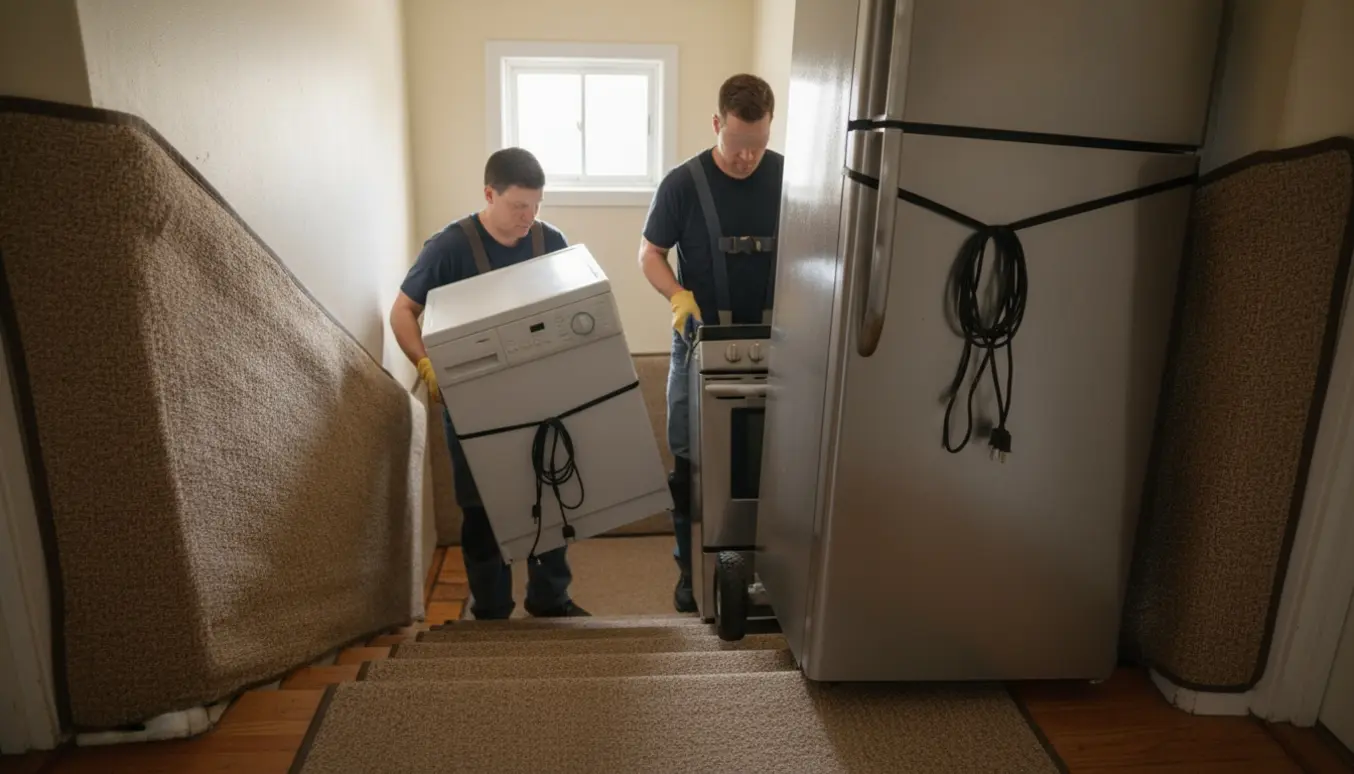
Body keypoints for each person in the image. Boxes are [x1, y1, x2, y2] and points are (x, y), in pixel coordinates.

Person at [391, 147, 589, 620]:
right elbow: (402, 311)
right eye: (518, 205)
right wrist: (425, 364)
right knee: (481, 509)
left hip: (539, 400)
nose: (528, 217)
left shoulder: (550, 242)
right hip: (472, 402)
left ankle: (550, 600)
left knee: (549, 496)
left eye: (535, 205)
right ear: (489, 194)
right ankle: (491, 610)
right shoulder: (449, 248)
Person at [638, 74, 783, 613]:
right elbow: (649, 253)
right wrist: (677, 296)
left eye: (758, 145)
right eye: (737, 143)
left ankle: (773, 566)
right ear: (717, 124)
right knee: (690, 459)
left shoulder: (790, 179)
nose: (747, 157)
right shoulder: (682, 185)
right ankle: (690, 570)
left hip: (778, 342)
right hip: (698, 342)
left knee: (772, 457)